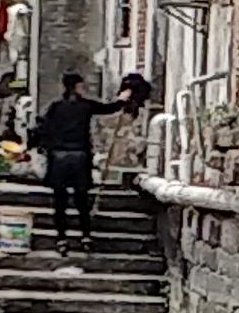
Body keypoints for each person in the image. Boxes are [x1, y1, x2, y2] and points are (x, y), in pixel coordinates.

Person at [28, 69, 152, 244]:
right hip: (79, 156)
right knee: (81, 199)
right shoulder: (86, 105)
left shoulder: (55, 107)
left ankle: (61, 238)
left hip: (58, 158)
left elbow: (40, 129)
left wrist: (43, 148)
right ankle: (85, 235)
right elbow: (110, 108)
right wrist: (125, 97)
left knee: (60, 201)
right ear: (77, 87)